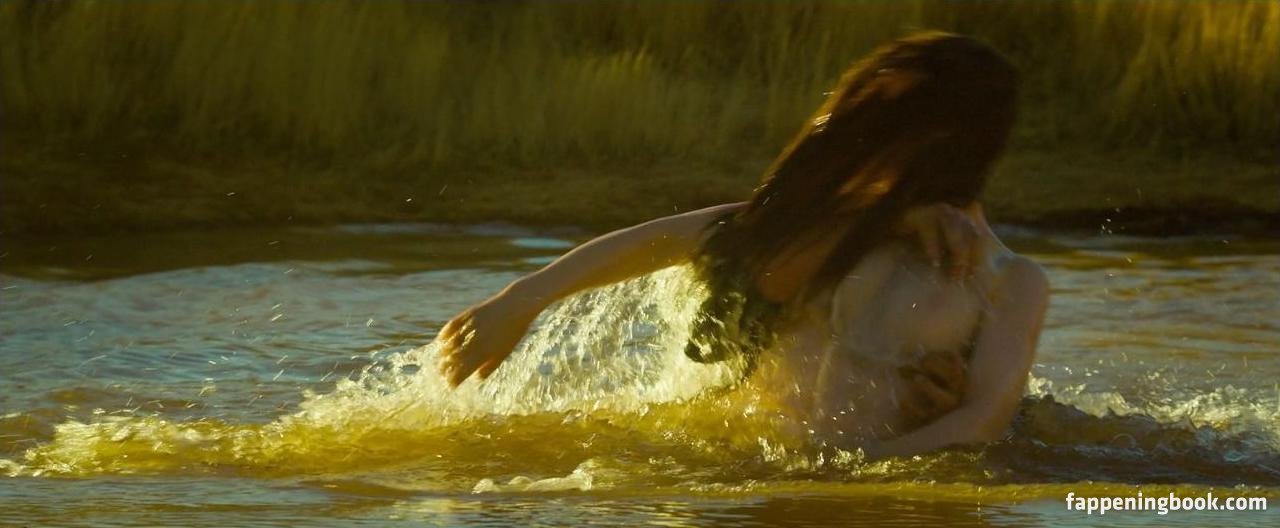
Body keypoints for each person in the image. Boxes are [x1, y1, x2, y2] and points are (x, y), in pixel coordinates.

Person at [436, 32, 1049, 459]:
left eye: (880, 126)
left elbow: (982, 421)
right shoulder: (809, 228)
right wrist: (519, 301)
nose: (853, 144)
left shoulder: (1008, 280)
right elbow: (666, 239)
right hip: (753, 472)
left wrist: (848, 474)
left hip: (858, 488)